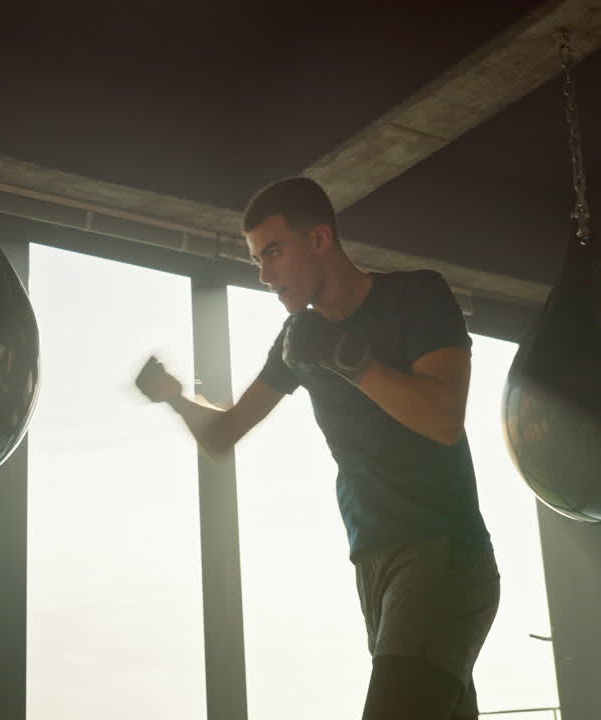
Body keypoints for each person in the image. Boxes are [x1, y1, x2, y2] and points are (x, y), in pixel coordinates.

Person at [135, 177, 499, 719]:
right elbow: (223, 434)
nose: (264, 273)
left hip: (441, 554)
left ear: (321, 240)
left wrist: (348, 360)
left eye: (275, 252)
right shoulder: (296, 339)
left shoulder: (416, 296)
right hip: (372, 562)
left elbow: (443, 419)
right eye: (257, 259)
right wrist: (174, 398)